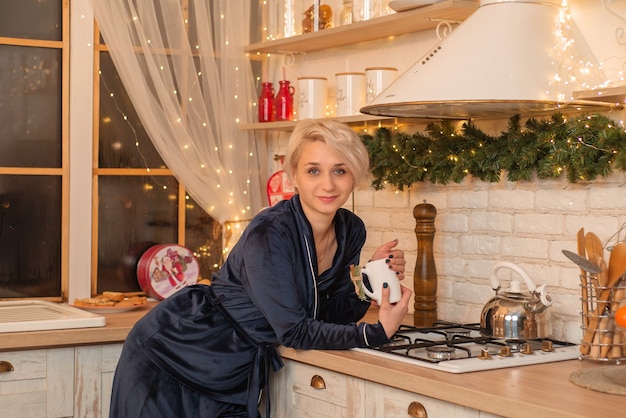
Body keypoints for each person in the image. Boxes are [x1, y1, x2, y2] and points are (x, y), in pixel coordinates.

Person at [109, 119, 413, 417]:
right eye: (313, 171)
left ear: (354, 175)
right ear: (293, 174)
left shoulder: (350, 229)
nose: (328, 184)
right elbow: (294, 330)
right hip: (172, 356)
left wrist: (368, 279)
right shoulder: (270, 233)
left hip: (233, 372)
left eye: (340, 170)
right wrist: (374, 334)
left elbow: (325, 314)